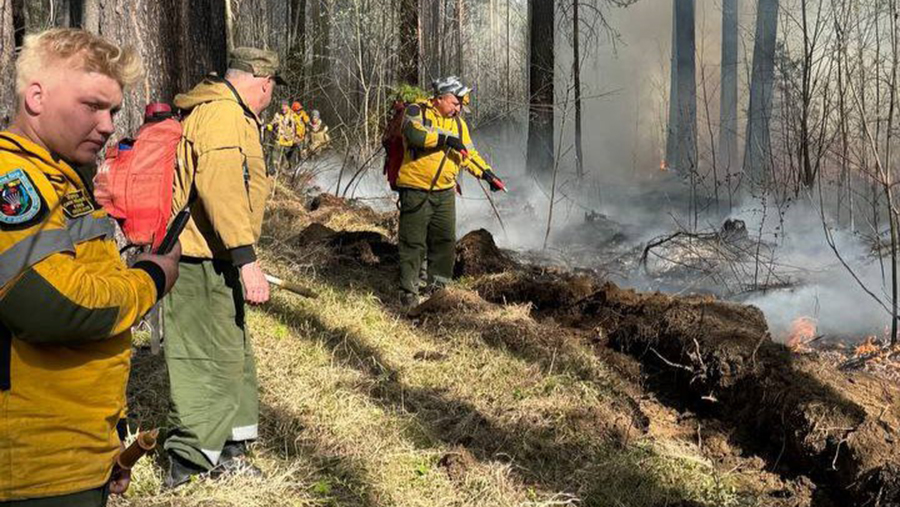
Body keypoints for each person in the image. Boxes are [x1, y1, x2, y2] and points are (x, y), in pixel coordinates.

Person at [0, 28, 181, 506]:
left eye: (113, 111)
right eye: (92, 106)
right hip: (32, 469)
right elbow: (48, 304)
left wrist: (107, 446)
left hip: (77, 455)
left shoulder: (65, 180)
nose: (106, 126)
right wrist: (152, 278)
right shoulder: (11, 179)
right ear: (36, 97)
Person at [163, 47, 284, 488]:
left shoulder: (228, 112)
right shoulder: (222, 115)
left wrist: (239, 255)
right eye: (271, 89)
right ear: (263, 83)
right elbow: (221, 189)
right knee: (202, 357)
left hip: (217, 256)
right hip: (197, 259)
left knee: (230, 354)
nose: (270, 97)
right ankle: (189, 462)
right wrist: (247, 259)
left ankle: (228, 450)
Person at [396, 76, 504, 309]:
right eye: (455, 103)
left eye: (460, 105)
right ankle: (408, 296)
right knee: (413, 244)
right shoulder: (416, 111)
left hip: (445, 193)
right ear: (440, 98)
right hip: (415, 189)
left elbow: (468, 155)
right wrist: (445, 139)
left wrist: (487, 175)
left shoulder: (459, 125)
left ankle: (439, 294)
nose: (458, 109)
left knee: (444, 244)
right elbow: (415, 136)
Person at [266, 101, 296, 172]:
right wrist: (269, 126)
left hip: (288, 143)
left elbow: (297, 127)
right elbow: (273, 123)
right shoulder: (278, 115)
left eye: (285, 106)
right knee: (276, 160)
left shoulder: (292, 115)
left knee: (287, 163)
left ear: (288, 106)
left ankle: (288, 172)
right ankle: (277, 173)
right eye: (282, 107)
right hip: (278, 141)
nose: (283, 108)